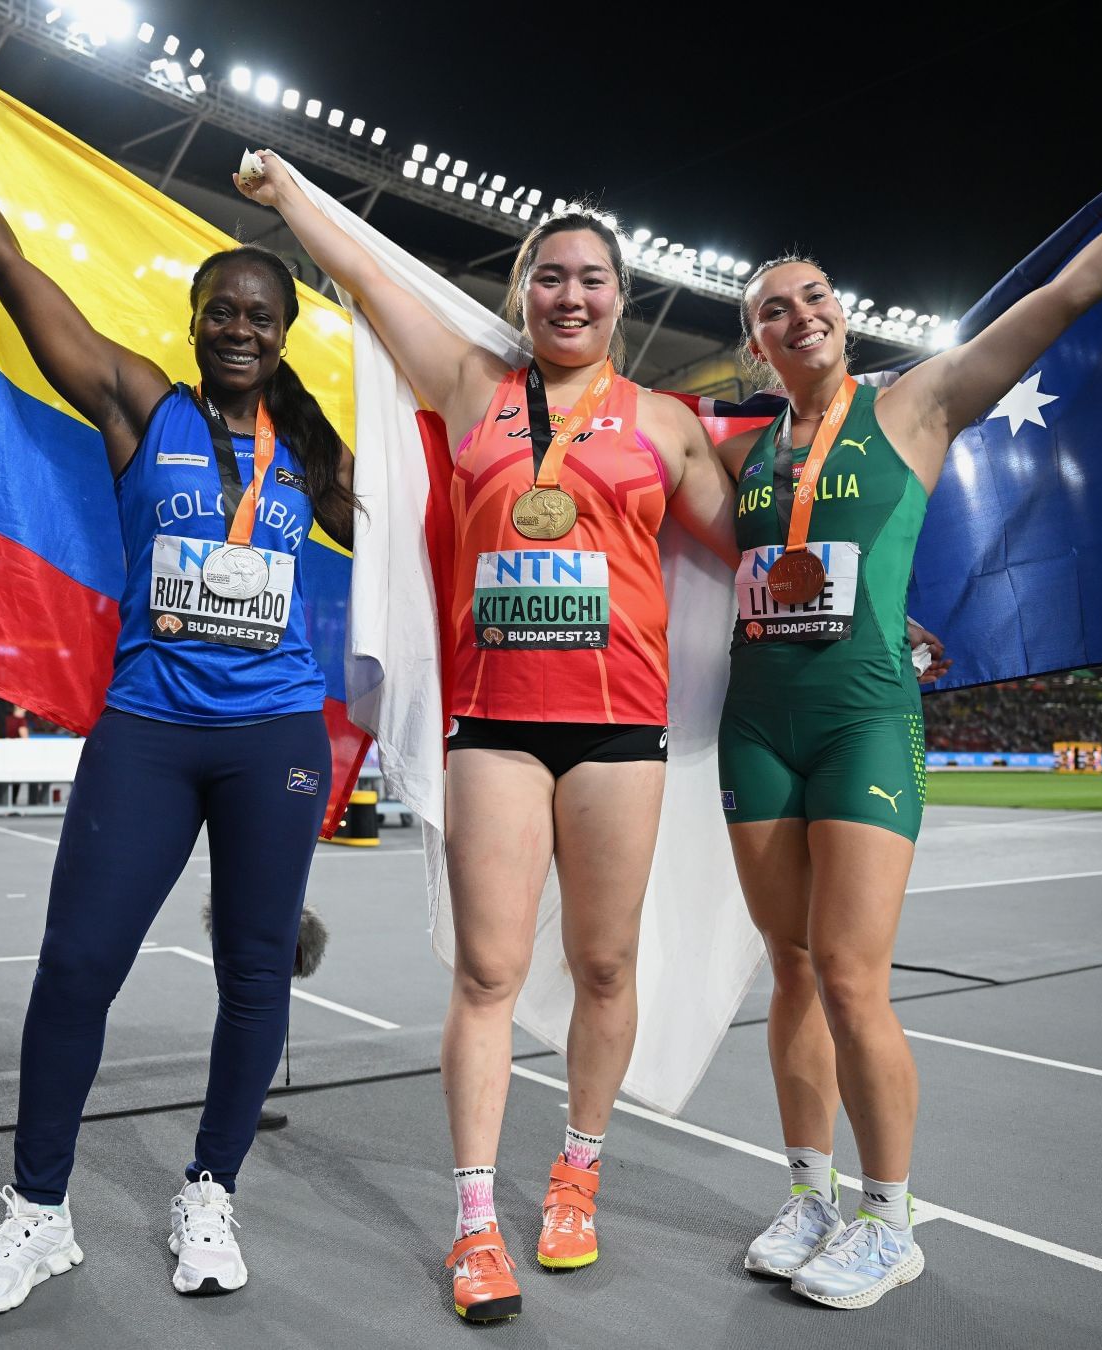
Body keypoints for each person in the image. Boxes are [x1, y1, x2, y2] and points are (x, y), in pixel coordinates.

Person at [716, 98, 1102, 1311]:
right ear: (754, 345)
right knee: (791, 973)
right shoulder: (742, 454)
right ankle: (807, 1192)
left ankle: (887, 1220)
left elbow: (1064, 296)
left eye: (813, 297)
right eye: (772, 310)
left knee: (853, 976)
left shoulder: (918, 402)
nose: (799, 316)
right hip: (756, 729)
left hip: (860, 723)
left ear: (838, 314)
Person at [0, 50, 357, 1314]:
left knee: (256, 974)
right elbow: (10, 267)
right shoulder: (141, 406)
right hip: (147, 728)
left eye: (263, 313)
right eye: (223, 310)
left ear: (286, 330)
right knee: (79, 963)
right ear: (193, 322)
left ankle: (211, 1192)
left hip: (274, 739)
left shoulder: (318, 452)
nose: (241, 326)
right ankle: (38, 1214)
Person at [238, 151, 741, 1322]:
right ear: (524, 294)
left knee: (607, 966)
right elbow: (366, 274)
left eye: (593, 281)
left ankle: (578, 1172)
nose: (571, 298)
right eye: (551, 279)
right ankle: (474, 1223)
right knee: (487, 974)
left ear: (623, 299)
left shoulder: (663, 425)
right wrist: (289, 198)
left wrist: (891, 605)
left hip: (620, 728)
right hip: (497, 726)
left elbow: (755, 554)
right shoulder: (471, 387)